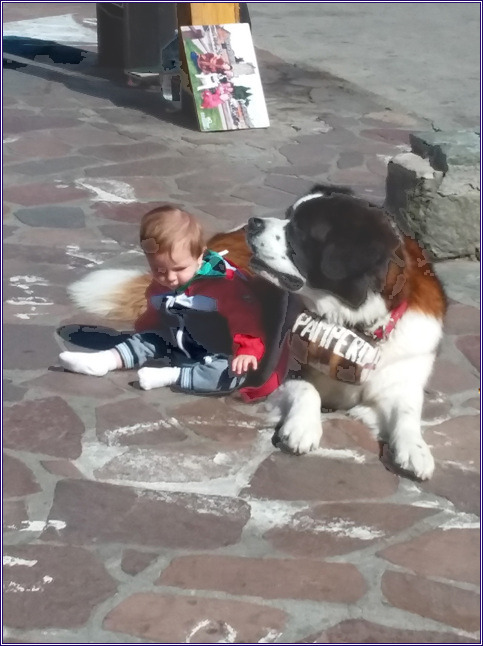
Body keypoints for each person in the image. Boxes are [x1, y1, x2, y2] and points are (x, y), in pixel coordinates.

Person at [59, 205, 269, 396]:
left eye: (179, 269)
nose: (169, 278)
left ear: (200, 256)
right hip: (174, 340)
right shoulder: (162, 284)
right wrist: (144, 332)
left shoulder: (225, 285)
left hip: (216, 352)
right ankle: (104, 360)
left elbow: (247, 321)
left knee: (229, 374)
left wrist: (247, 350)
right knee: (147, 339)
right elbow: (154, 311)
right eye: (159, 270)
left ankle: (171, 376)